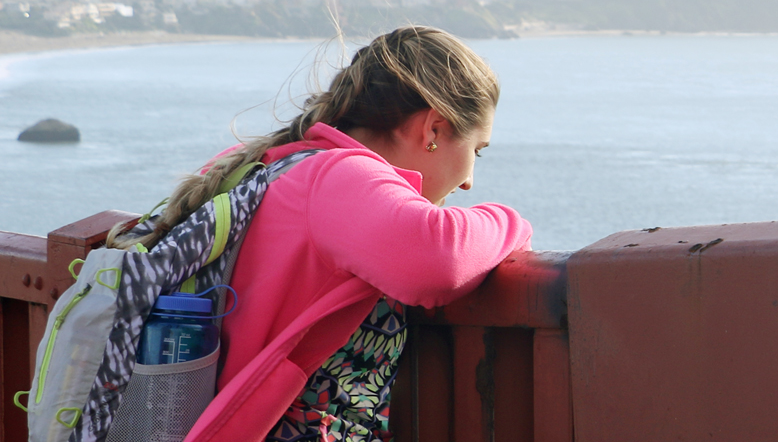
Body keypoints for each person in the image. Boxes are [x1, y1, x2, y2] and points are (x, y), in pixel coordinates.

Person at [108, 25, 534, 442]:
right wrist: (515, 223)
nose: (468, 183)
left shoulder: (264, 165)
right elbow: (440, 261)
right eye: (476, 151)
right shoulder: (339, 177)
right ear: (434, 129)